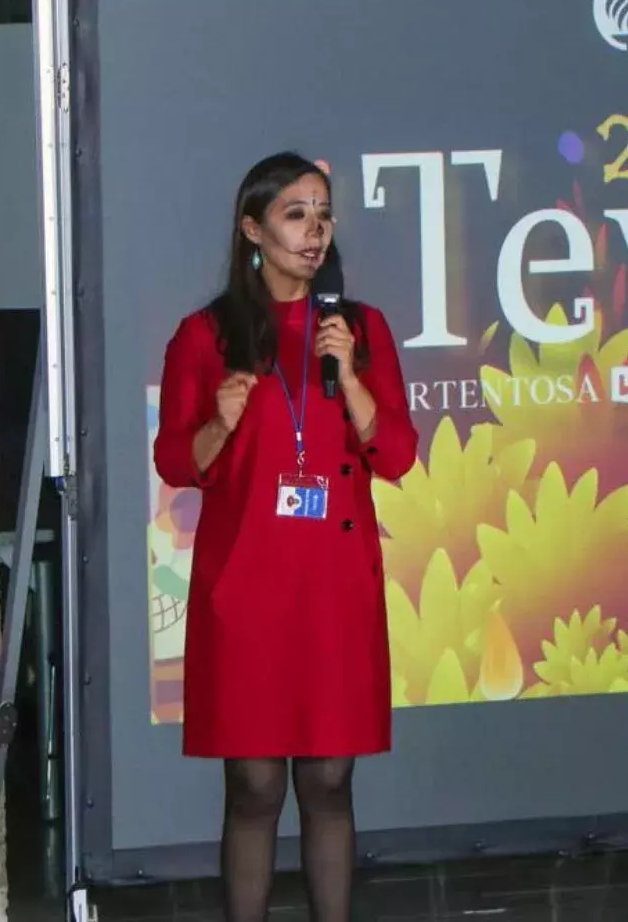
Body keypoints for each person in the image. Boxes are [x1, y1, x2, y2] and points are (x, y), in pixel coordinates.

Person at [153, 152, 418, 922]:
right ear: (252, 229)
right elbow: (176, 461)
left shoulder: (359, 329)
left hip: (334, 582)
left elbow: (397, 455)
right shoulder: (206, 335)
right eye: (296, 213)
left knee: (330, 780)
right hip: (249, 587)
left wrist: (354, 377)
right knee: (257, 784)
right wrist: (220, 422)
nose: (315, 229)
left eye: (323, 213)